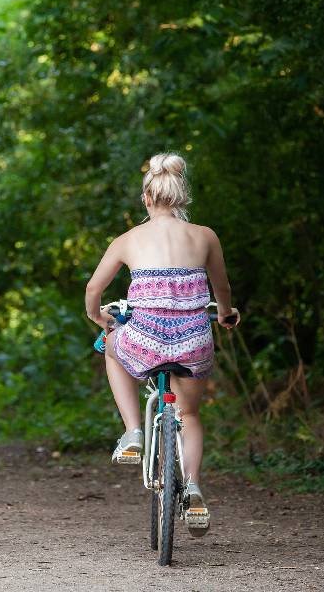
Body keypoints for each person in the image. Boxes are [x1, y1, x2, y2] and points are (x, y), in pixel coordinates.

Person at [84, 152, 239, 533]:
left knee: (112, 346)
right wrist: (224, 313)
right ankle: (194, 486)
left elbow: (93, 289)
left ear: (146, 198)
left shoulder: (127, 239)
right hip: (193, 342)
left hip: (145, 338)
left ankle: (133, 430)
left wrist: (98, 317)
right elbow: (222, 289)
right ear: (181, 197)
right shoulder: (205, 236)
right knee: (190, 415)